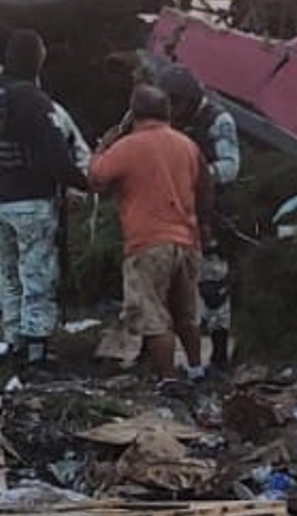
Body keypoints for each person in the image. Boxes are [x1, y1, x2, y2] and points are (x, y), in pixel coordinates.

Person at [0, 29, 88, 366]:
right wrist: (84, 184)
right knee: (37, 275)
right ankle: (35, 347)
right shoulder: (39, 105)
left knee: (8, 275)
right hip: (32, 203)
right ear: (38, 60)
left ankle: (12, 341)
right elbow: (64, 154)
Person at [87, 84, 211, 381]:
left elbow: (96, 177)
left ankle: (167, 383)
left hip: (147, 244)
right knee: (186, 315)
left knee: (154, 319)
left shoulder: (128, 146)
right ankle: (196, 371)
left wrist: (104, 145)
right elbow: (206, 185)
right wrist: (202, 227)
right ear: (167, 112)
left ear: (134, 114)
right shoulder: (187, 145)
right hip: (187, 241)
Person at [156, 64, 243, 370]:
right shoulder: (166, 122)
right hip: (174, 212)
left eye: (176, 103)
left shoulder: (217, 120)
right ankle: (173, 356)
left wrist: (193, 176)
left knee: (213, 280)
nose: (173, 112)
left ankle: (219, 355)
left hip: (212, 210)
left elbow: (231, 166)